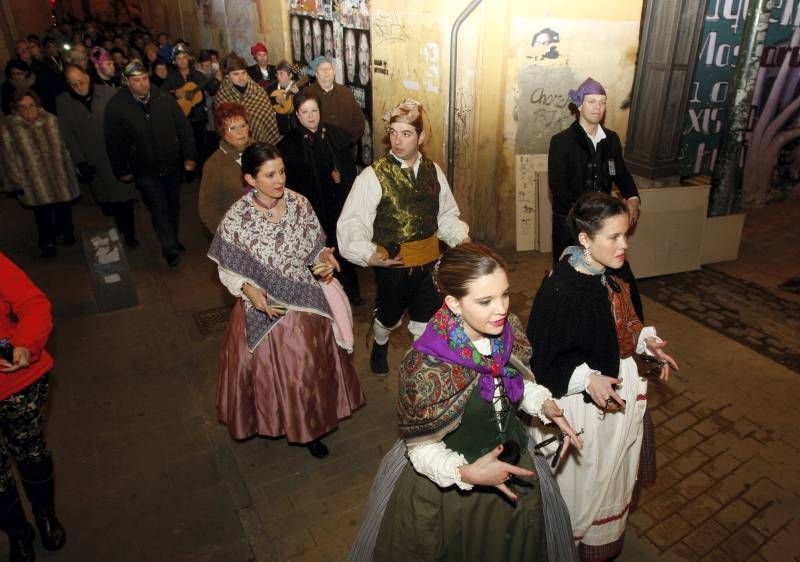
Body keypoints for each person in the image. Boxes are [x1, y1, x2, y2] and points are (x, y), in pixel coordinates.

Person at [350, 243, 582, 562]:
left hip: (516, 472)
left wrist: (544, 404)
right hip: (454, 494)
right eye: (485, 301)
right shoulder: (424, 366)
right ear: (453, 303)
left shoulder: (505, 328)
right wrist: (465, 473)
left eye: (505, 294)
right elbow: (421, 448)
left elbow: (516, 382)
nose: (501, 309)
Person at [526, 192, 679, 560]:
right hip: (581, 414)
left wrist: (646, 342)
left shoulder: (616, 271)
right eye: (613, 237)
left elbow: (626, 321)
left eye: (626, 234)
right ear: (584, 240)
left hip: (619, 398)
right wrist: (587, 378)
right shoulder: (559, 288)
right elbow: (543, 360)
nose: (624, 245)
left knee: (611, 480)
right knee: (583, 488)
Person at [207, 143, 365, 459]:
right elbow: (226, 267)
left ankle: (311, 428)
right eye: (269, 175)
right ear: (250, 180)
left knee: (307, 371)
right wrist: (248, 291)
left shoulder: (300, 204)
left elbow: (313, 250)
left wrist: (324, 261)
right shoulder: (238, 218)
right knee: (272, 373)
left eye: (281, 171)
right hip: (265, 306)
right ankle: (274, 419)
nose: (279, 180)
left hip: (306, 302)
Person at [337, 99, 469, 375]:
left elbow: (444, 214)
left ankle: (418, 372)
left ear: (420, 138)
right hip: (393, 264)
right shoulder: (374, 176)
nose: (397, 140)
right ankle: (381, 341)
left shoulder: (434, 171)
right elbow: (353, 221)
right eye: (393, 132)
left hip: (431, 261)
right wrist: (369, 253)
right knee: (388, 316)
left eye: (406, 133)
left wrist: (461, 239)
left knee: (426, 319)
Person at [0, 253, 67, 561]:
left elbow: (33, 303)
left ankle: (44, 514)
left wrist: (25, 344)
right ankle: (18, 533)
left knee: (30, 452)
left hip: (14, 383)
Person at [104, 59, 197, 267]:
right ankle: (170, 248)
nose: (143, 84)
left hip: (171, 164)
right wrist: (121, 169)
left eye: (145, 78)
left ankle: (172, 237)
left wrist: (189, 156)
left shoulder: (163, 97)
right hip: (144, 168)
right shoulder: (117, 106)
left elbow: (183, 128)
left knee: (173, 206)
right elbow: (113, 142)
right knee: (157, 207)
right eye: (136, 80)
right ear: (127, 82)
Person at [279, 90, 360, 303]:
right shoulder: (289, 145)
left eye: (314, 110)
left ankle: (349, 292)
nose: (311, 116)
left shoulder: (334, 134)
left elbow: (349, 169)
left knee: (341, 245)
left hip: (337, 203)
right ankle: (322, 296)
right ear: (297, 115)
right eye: (305, 112)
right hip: (311, 208)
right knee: (317, 249)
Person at [548, 77, 640, 265]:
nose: (598, 107)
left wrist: (633, 198)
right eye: (591, 102)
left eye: (602, 102)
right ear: (580, 105)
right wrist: (588, 216)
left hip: (603, 224)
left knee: (599, 272)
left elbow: (621, 174)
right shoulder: (561, 142)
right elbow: (559, 187)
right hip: (570, 224)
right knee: (570, 273)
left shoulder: (611, 140)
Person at [57, 64, 139, 248]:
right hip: (92, 160)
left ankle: (130, 235)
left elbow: (123, 123)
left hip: (114, 156)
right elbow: (67, 135)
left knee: (124, 198)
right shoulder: (63, 102)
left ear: (87, 76)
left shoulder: (107, 93)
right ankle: (119, 225)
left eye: (81, 80)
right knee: (107, 201)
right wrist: (80, 161)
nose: (78, 86)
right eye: (73, 83)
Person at [0, 90, 80, 257]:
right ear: (16, 109)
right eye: (23, 107)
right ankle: (47, 241)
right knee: (42, 212)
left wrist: (72, 168)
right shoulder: (10, 126)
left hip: (57, 171)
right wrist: (15, 181)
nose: (29, 110)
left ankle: (66, 231)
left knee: (63, 204)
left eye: (31, 106)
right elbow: (8, 155)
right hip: (33, 178)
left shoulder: (51, 120)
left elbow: (65, 147)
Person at [162, 44, 219, 171]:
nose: (182, 61)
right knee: (185, 146)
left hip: (198, 116)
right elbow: (161, 94)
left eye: (184, 57)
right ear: (175, 61)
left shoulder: (198, 75)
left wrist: (216, 80)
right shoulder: (171, 77)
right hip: (180, 117)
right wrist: (174, 92)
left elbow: (212, 89)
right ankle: (188, 172)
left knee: (201, 146)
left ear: (189, 59)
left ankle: (202, 172)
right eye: (179, 58)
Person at [198, 102, 252, 233]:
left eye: (243, 126)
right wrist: (230, 233)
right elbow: (208, 209)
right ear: (222, 133)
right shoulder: (214, 164)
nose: (240, 132)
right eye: (232, 128)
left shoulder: (262, 150)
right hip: (238, 233)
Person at [214, 52, 282, 146]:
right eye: (236, 74)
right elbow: (225, 128)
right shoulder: (222, 98)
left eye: (243, 73)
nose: (241, 77)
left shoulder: (257, 90)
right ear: (227, 76)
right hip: (238, 145)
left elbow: (270, 118)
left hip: (269, 141)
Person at [305, 56, 364, 144]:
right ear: (316, 74)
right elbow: (300, 123)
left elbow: (359, 119)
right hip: (319, 150)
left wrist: (349, 140)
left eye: (329, 68)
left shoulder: (346, 92)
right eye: (322, 69)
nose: (326, 72)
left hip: (345, 149)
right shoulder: (307, 94)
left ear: (334, 72)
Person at [268, 60, 301, 135]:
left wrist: (298, 95)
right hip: (276, 127)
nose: (278, 77)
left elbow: (304, 105)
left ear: (290, 75)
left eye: (281, 74)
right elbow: (264, 101)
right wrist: (274, 99)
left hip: (295, 127)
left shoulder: (299, 87)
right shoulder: (271, 87)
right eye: (277, 74)